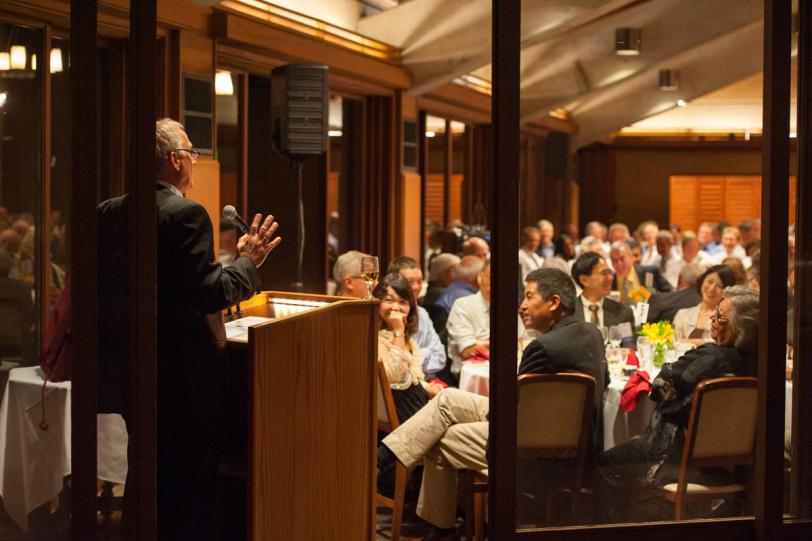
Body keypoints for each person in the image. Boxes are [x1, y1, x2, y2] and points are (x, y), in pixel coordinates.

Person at [98, 118, 282, 540]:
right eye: (193, 153)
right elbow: (210, 294)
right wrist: (249, 262)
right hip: (183, 377)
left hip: (131, 367)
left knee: (144, 471)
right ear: (176, 160)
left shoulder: (110, 210)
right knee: (188, 482)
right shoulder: (185, 213)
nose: (196, 161)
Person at [377, 268, 607, 539]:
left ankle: (440, 528)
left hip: (526, 443)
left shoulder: (542, 348)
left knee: (439, 437)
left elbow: (513, 411)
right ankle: (385, 457)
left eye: (529, 297)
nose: (521, 305)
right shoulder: (592, 333)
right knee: (448, 399)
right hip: (570, 437)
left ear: (554, 303)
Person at [595, 286, 759, 523]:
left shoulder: (710, 358)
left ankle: (617, 530)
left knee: (606, 463)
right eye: (715, 312)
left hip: (677, 458)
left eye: (720, 317)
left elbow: (661, 385)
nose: (712, 319)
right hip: (736, 466)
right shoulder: (762, 360)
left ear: (742, 326)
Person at [374, 273, 443, 422]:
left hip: (418, 409)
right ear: (377, 303)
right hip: (405, 420)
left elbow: (409, 378)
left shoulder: (408, 341)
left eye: (403, 302)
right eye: (389, 300)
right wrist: (398, 329)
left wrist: (426, 388)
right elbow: (394, 376)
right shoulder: (375, 338)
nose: (396, 307)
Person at [387, 256, 447, 380]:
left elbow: (440, 357)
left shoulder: (422, 313)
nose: (415, 287)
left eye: (419, 281)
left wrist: (413, 357)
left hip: (427, 380)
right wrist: (426, 352)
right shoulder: (387, 315)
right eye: (410, 281)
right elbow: (397, 367)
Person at [571, 252, 635, 342]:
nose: (610, 278)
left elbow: (628, 344)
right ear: (584, 280)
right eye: (604, 273)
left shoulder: (622, 312)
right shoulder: (568, 314)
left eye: (610, 272)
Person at [446, 260, 493, 375]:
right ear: (480, 278)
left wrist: (481, 342)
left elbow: (521, 343)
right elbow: (467, 351)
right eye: (491, 277)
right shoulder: (463, 306)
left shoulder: (510, 307)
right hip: (470, 376)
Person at [672, 264, 736, 342]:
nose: (712, 288)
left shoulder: (727, 320)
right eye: (710, 282)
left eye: (719, 286)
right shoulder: (682, 314)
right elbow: (675, 342)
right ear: (702, 281)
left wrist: (688, 341)